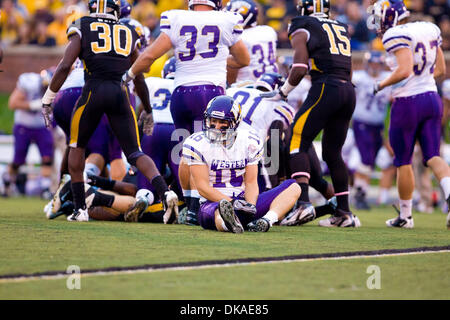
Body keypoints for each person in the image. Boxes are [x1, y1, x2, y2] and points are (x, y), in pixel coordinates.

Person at [40, 0, 178, 223]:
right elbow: (139, 75)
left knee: (76, 146)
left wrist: (48, 98)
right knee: (135, 152)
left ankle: (79, 209)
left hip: (93, 90)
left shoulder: (82, 24)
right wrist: (148, 110)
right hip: (120, 93)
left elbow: (65, 65)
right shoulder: (128, 30)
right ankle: (165, 192)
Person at [121, 0, 250, 221]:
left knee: (187, 151)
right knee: (212, 151)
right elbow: (244, 59)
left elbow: (150, 55)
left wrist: (128, 75)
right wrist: (216, 59)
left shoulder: (176, 18)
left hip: (180, 94)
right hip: (210, 92)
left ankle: (190, 209)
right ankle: (204, 205)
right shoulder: (226, 19)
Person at [262, 0, 359, 227]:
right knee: (333, 153)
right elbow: (348, 65)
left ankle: (303, 204)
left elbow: (299, 67)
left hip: (326, 86)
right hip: (347, 90)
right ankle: (344, 213)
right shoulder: (339, 26)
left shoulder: (302, 23)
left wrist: (283, 91)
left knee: (296, 139)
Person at [369, 0, 450, 228]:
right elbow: (441, 70)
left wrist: (381, 84)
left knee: (403, 161)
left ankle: (405, 216)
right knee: (433, 155)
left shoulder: (394, 35)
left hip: (407, 103)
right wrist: (421, 82)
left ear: (389, 16)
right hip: (432, 99)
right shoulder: (428, 28)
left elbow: (404, 70)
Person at [182, 95, 303, 233]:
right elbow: (202, 187)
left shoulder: (249, 141)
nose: (216, 127)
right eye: (213, 121)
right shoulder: (196, 143)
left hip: (242, 200)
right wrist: (232, 203)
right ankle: (229, 224)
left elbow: (251, 182)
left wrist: (250, 207)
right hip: (212, 204)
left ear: (235, 123)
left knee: (294, 187)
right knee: (219, 212)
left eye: (223, 123)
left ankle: (265, 221)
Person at [3, 69, 55, 199]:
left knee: (47, 158)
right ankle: (8, 182)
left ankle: (45, 189)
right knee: (18, 161)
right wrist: (32, 105)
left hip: (42, 126)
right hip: (24, 125)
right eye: (45, 86)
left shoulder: (57, 89)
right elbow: (12, 103)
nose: (46, 89)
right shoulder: (30, 82)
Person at [351, 50, 392, 210]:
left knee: (370, 161)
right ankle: (359, 193)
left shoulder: (387, 80)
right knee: (366, 158)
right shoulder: (360, 78)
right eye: (372, 63)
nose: (375, 67)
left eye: (378, 64)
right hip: (361, 122)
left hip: (378, 126)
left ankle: (361, 192)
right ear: (368, 64)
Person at [223, 0, 278, 84]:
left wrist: (230, 86)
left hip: (247, 86)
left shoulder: (239, 38)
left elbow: (232, 68)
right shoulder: (269, 31)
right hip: (271, 83)